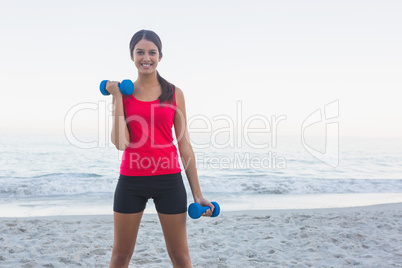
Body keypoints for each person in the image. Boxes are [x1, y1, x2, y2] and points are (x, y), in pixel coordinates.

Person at [107, 29, 214, 268]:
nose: (146, 57)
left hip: (169, 181)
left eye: (152, 52)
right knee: (120, 256)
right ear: (132, 56)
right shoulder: (124, 95)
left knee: (180, 256)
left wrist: (197, 193)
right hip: (131, 181)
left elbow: (184, 145)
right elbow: (120, 144)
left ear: (160, 56)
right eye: (140, 52)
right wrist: (116, 99)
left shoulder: (175, 94)